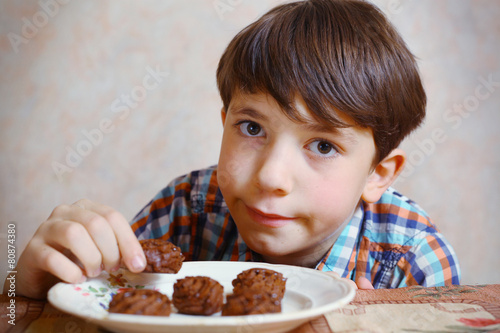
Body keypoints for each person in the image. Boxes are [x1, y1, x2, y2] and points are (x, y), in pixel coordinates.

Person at [5, 0, 460, 300]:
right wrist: (20, 295)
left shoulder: (410, 259)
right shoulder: (188, 209)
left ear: (378, 174)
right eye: (251, 127)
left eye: (323, 145)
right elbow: (110, 304)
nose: (270, 177)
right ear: (224, 123)